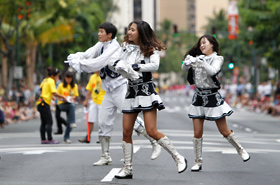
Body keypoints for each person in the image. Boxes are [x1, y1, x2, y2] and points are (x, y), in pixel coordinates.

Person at [66, 22, 161, 165]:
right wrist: (76, 57)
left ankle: (154, 141)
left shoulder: (115, 47)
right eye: (99, 31)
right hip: (108, 91)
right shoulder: (101, 45)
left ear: (109, 35)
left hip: (121, 88)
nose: (99, 34)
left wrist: (80, 64)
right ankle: (105, 155)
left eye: (101, 31)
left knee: (133, 122)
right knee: (103, 122)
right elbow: (88, 53)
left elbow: (98, 63)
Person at [107, 20, 187, 179]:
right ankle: (127, 168)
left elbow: (154, 66)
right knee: (126, 132)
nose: (129, 32)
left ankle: (178, 157)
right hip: (131, 91)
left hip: (145, 91)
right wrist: (119, 65)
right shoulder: (124, 48)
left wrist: (135, 67)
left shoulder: (152, 49)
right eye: (129, 29)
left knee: (151, 130)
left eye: (132, 30)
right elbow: (111, 62)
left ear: (141, 33)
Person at [181, 34, 250, 172]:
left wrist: (201, 62)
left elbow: (213, 70)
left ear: (212, 44)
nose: (201, 45)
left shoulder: (217, 58)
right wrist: (187, 62)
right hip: (199, 96)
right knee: (197, 132)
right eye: (200, 43)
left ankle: (240, 149)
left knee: (224, 131)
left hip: (212, 96)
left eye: (204, 42)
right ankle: (198, 161)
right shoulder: (197, 58)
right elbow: (184, 69)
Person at [37, 67, 67, 144]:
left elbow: (43, 91)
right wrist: (62, 97)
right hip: (45, 103)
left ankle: (43, 139)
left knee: (43, 122)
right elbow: (54, 92)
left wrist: (51, 98)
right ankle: (50, 139)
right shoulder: (51, 81)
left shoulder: (45, 80)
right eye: (57, 76)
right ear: (54, 75)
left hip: (40, 102)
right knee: (49, 122)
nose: (58, 78)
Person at [78, 72, 105, 143]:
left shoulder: (105, 76)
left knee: (101, 121)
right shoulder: (92, 77)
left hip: (103, 101)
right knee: (90, 120)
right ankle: (88, 137)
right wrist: (86, 101)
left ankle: (102, 137)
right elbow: (89, 90)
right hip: (94, 100)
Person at [57, 71, 79, 144]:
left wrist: (71, 98)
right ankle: (73, 122)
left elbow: (75, 95)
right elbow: (57, 95)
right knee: (72, 106)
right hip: (62, 104)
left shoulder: (74, 86)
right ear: (65, 78)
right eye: (67, 78)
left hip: (70, 104)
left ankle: (66, 138)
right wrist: (63, 98)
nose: (68, 80)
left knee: (69, 123)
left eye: (70, 78)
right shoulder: (61, 85)